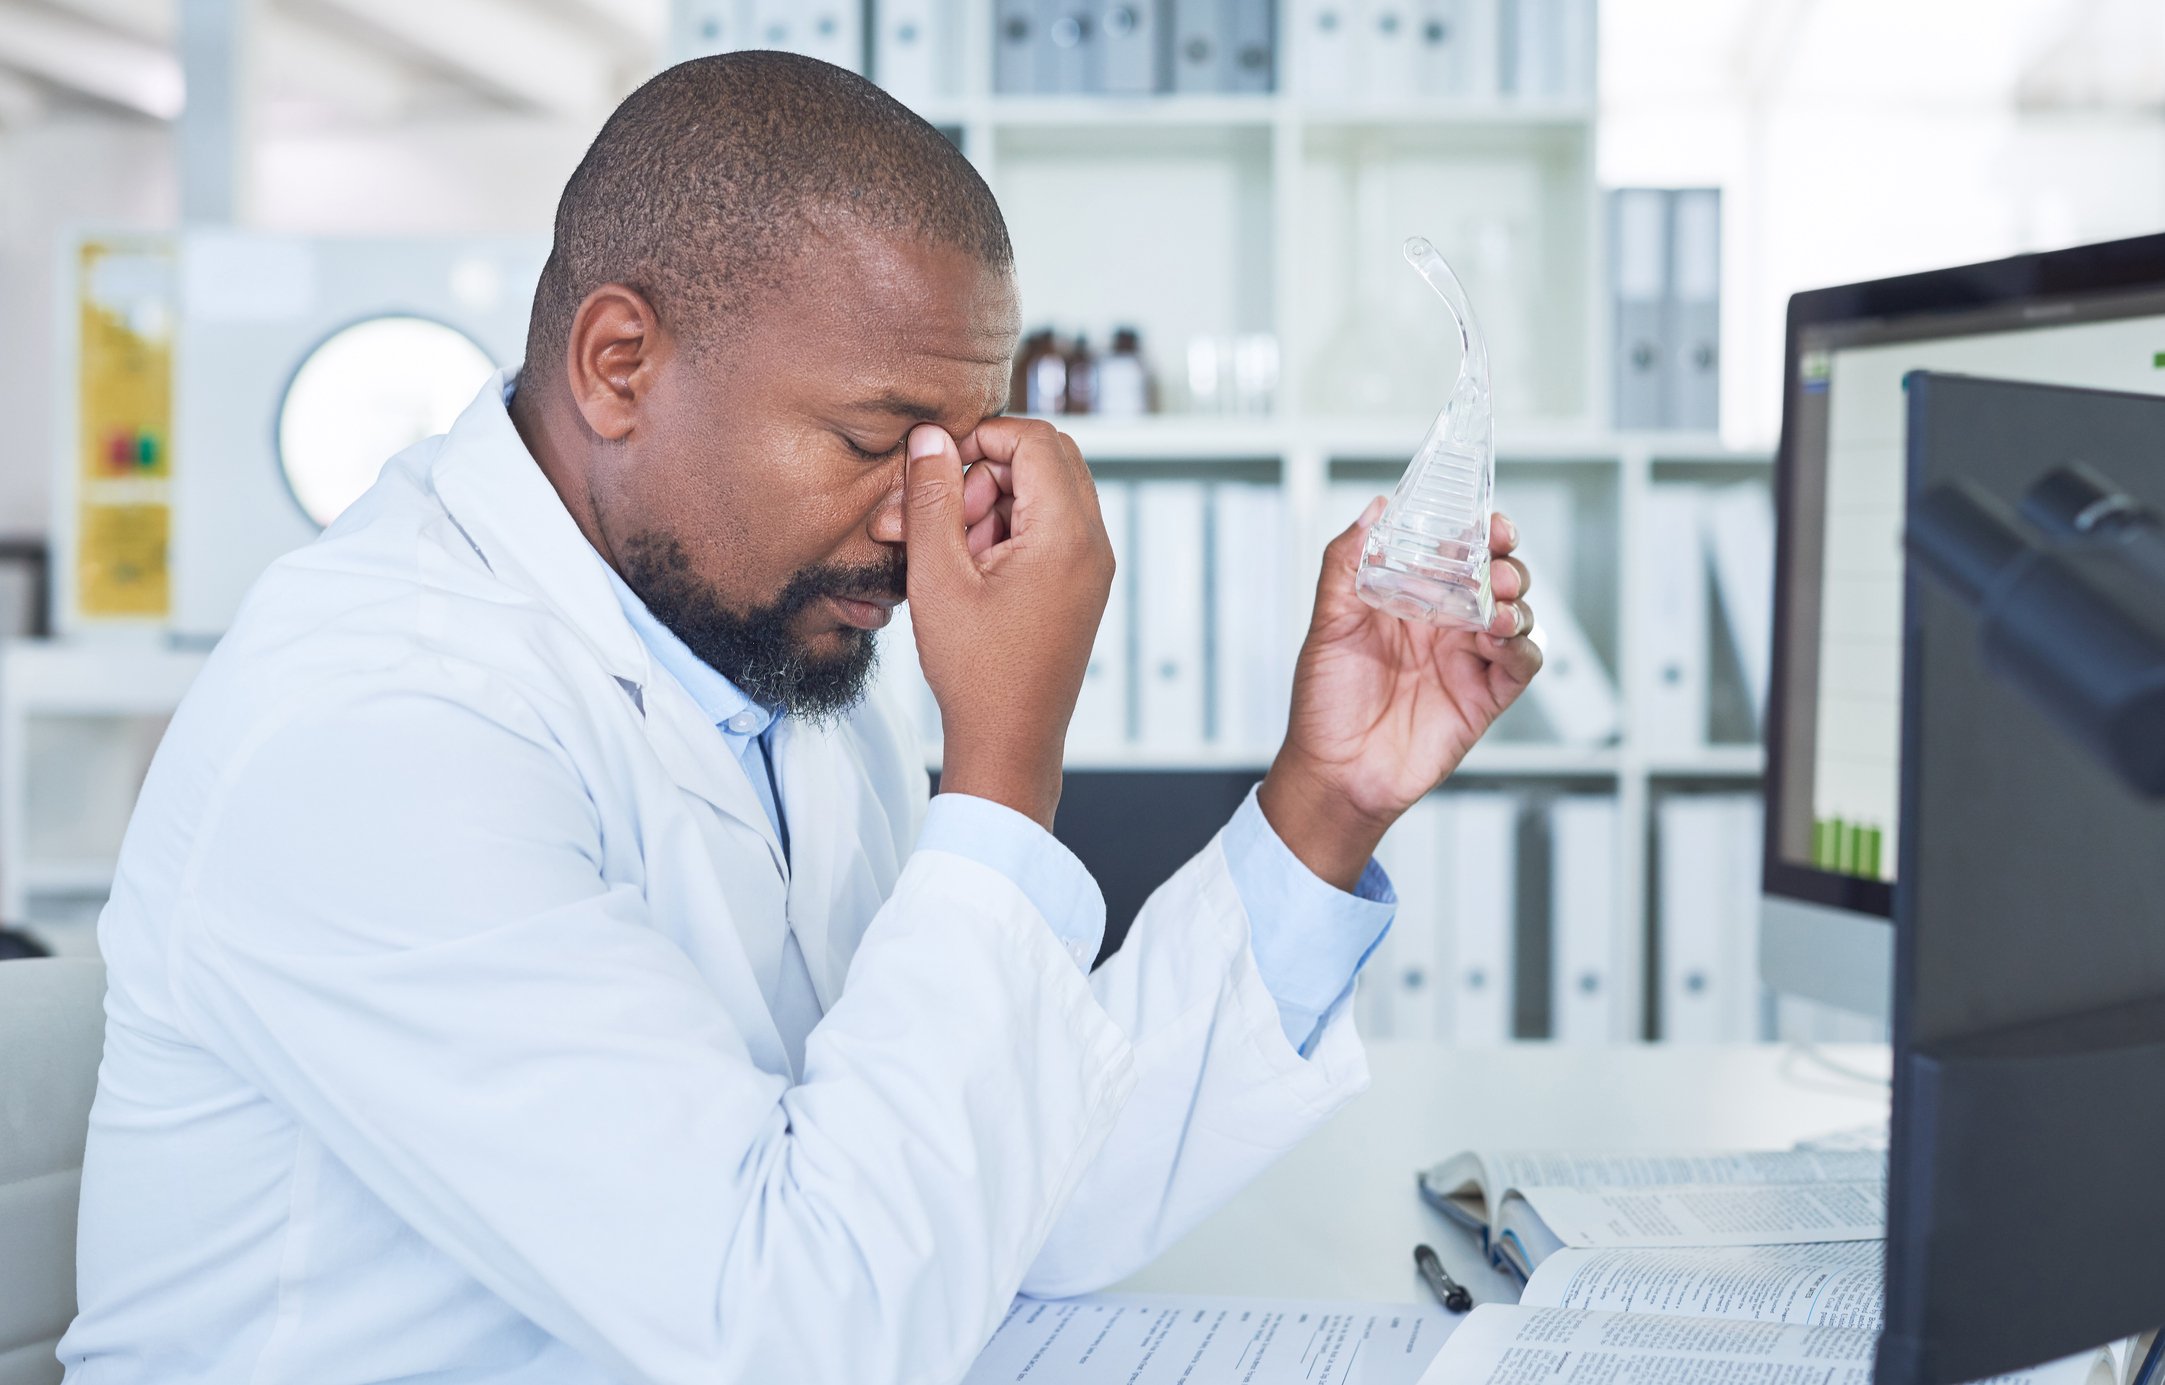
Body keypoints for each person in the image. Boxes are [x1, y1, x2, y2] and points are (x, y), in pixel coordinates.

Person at [58, 53, 1539, 1384]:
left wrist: (1323, 804)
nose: (924, 518)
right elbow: (798, 1333)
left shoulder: (771, 665)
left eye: (957, 449)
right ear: (619, 365)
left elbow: (987, 1196)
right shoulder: (376, 729)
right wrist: (1003, 766)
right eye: (874, 440)